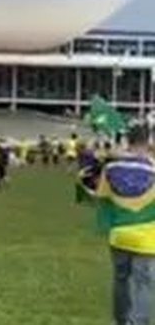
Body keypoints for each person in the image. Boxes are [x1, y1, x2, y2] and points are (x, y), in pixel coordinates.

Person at [92, 125, 155, 325]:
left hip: (119, 233)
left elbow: (101, 199)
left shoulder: (110, 168)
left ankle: (120, 320)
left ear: (127, 140)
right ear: (148, 141)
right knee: (143, 283)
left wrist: (105, 225)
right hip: (147, 235)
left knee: (121, 279)